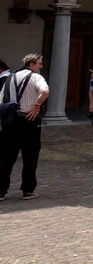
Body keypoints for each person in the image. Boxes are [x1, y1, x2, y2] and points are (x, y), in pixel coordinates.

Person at [0, 53, 49, 201]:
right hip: (29, 119)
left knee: (6, 157)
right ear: (31, 64)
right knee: (30, 157)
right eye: (39, 64)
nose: (41, 66)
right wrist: (36, 105)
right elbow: (45, 91)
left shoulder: (10, 77)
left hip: (11, 120)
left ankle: (1, 190)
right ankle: (28, 190)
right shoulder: (36, 77)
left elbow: (2, 99)